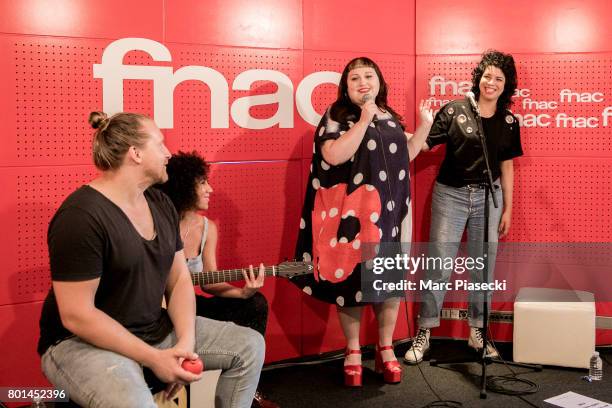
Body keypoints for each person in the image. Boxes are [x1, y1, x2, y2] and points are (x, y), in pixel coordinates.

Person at [37, 112, 264, 408]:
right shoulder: (81, 216)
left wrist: (184, 344)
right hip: (79, 343)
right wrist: (155, 359)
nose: (168, 152)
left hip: (151, 328)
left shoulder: (160, 204)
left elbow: (179, 279)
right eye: (160, 144)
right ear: (136, 153)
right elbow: (77, 315)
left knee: (248, 345)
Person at [294, 57, 433, 386]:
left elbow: (406, 155)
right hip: (352, 217)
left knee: (389, 284)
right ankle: (353, 350)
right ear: (346, 86)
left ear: (380, 81)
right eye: (354, 78)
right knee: (352, 283)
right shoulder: (337, 115)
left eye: (368, 76)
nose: (362, 83)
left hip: (390, 216)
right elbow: (333, 155)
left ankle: (385, 348)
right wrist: (363, 119)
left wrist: (425, 125)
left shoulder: (389, 116)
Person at [404, 50, 523, 364]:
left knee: (483, 267)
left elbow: (507, 166)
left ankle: (477, 331)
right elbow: (424, 143)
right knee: (439, 264)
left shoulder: (509, 121)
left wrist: (508, 208)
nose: (491, 83)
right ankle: (425, 331)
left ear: (506, 85)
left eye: (499, 78)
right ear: (479, 78)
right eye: (487, 76)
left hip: (489, 197)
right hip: (450, 195)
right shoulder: (456, 109)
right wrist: (412, 130)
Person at [158, 150, 279, 408]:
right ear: (182, 186)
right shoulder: (158, 223)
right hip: (159, 311)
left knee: (255, 303)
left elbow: (209, 281)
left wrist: (242, 293)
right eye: (202, 182)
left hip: (191, 304)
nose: (209, 189)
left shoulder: (207, 228)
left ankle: (246, 386)